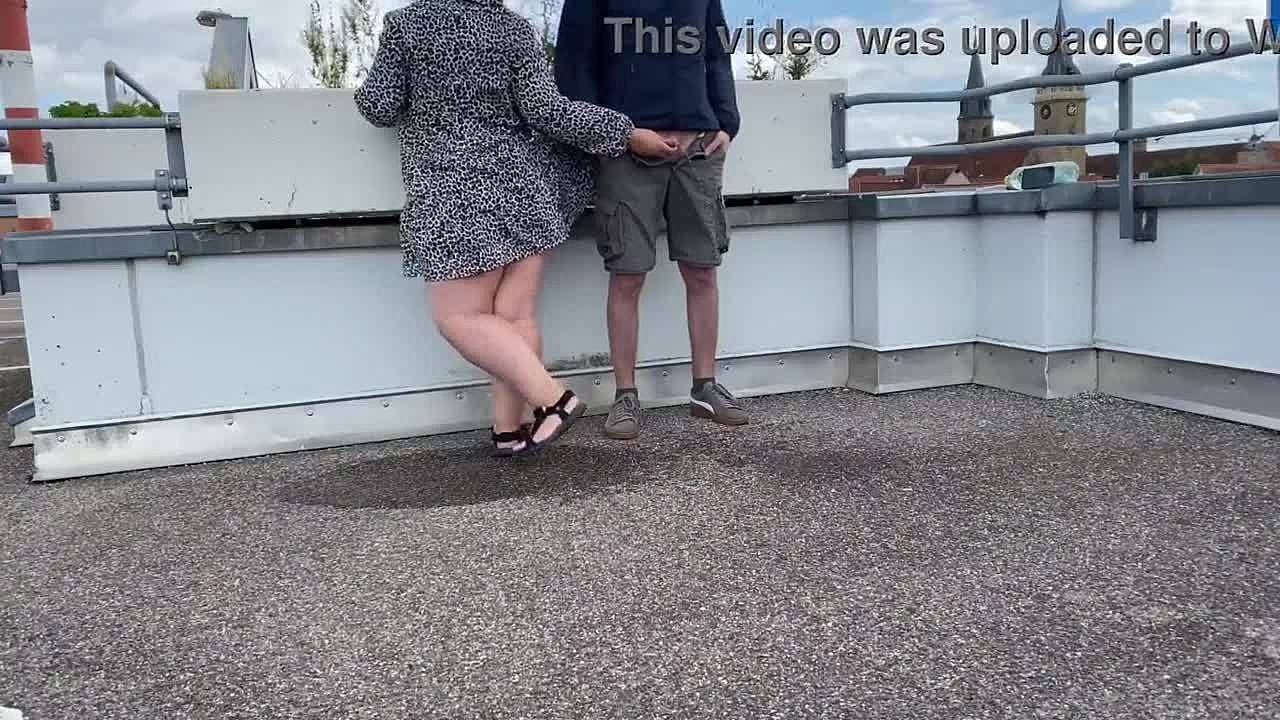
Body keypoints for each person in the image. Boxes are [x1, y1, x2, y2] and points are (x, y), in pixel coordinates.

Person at [354, 0, 679, 456]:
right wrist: (625, 133)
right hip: (524, 187)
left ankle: (555, 401)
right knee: (514, 317)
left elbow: (380, 106)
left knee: (458, 317)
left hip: (454, 190)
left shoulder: (407, 24)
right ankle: (509, 431)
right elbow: (548, 111)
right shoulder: (515, 30)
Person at [554, 0, 750, 441]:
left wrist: (726, 122)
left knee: (702, 270)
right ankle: (625, 394)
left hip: (698, 150)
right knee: (627, 274)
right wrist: (618, 134)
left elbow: (716, 51)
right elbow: (574, 66)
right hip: (626, 152)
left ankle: (704, 387)